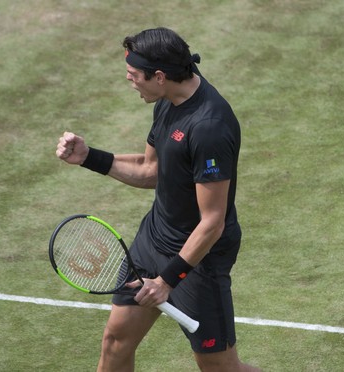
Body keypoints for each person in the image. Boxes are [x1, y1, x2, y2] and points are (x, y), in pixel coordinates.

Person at [56, 27, 260, 372]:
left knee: (221, 368)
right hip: (153, 241)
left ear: (160, 76)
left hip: (199, 259)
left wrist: (166, 281)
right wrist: (89, 156)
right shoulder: (167, 101)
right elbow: (151, 171)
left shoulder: (209, 126)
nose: (129, 80)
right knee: (115, 342)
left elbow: (213, 222)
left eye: (134, 75)